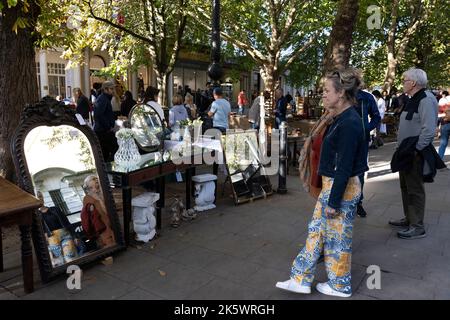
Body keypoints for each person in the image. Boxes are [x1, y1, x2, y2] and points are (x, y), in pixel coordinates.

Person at [276, 68, 366, 298]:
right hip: (336, 185)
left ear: (341, 93)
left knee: (336, 239)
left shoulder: (349, 123)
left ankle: (339, 285)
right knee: (318, 233)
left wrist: (333, 201)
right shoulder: (342, 118)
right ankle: (301, 278)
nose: (322, 95)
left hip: (340, 187)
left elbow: (344, 167)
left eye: (327, 91)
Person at [389, 68, 439, 239]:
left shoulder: (426, 99)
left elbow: (429, 130)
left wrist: (416, 149)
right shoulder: (412, 98)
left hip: (414, 152)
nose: (402, 82)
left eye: (405, 80)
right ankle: (410, 218)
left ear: (414, 83)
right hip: (405, 151)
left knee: (415, 189)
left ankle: (417, 227)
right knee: (405, 187)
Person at [353, 83, 380, 218]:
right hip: (342, 140)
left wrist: (367, 128)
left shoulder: (366, 97)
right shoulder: (341, 95)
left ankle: (358, 202)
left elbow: (376, 116)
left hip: (361, 140)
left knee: (360, 171)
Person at [37, 191, 81, 266]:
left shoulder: (55, 209)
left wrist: (75, 236)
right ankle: (69, 276)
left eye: (40, 196)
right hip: (52, 239)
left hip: (65, 235)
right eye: (37, 197)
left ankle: (75, 276)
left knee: (70, 258)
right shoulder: (36, 216)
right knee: (60, 262)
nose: (40, 199)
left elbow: (67, 223)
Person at [81, 175, 116, 248]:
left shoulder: (103, 193)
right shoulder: (87, 198)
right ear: (88, 186)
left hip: (112, 222)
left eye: (96, 178)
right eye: (93, 179)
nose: (96, 179)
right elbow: (89, 216)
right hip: (102, 226)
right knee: (109, 243)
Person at [93, 81, 118, 162]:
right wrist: (108, 127)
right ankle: (108, 169)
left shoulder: (104, 98)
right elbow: (98, 115)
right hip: (103, 131)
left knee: (105, 153)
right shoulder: (102, 99)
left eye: (113, 88)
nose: (113, 90)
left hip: (103, 131)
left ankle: (107, 170)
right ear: (105, 90)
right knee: (115, 150)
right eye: (111, 89)